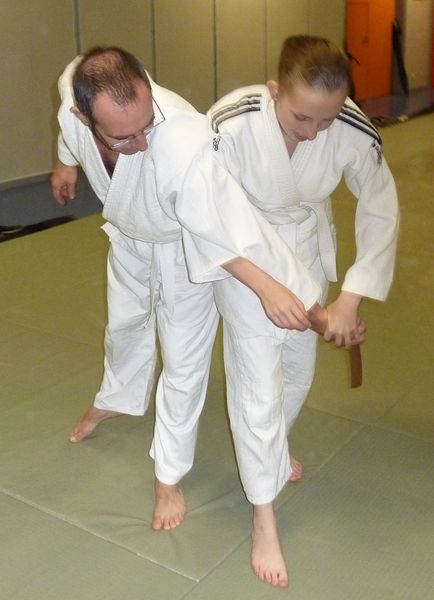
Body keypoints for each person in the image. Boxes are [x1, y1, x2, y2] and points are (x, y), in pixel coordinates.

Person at [51, 47, 326, 533]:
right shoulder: (73, 93)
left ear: (146, 89)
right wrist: (66, 164)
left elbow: (219, 225)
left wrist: (268, 287)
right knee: (123, 328)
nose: (139, 140)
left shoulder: (182, 136)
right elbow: (69, 132)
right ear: (84, 116)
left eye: (145, 126)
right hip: (128, 240)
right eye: (122, 137)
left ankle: (169, 476)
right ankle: (116, 396)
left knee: (183, 363)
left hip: (185, 249)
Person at [207, 35, 399, 587]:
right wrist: (265, 287)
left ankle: (269, 452)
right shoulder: (232, 122)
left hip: (306, 249)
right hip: (244, 249)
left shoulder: (353, 128)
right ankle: (262, 514)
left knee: (297, 371)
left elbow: (379, 208)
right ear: (274, 91)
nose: (315, 131)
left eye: (327, 118)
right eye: (301, 118)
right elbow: (207, 211)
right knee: (256, 382)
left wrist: (352, 296)